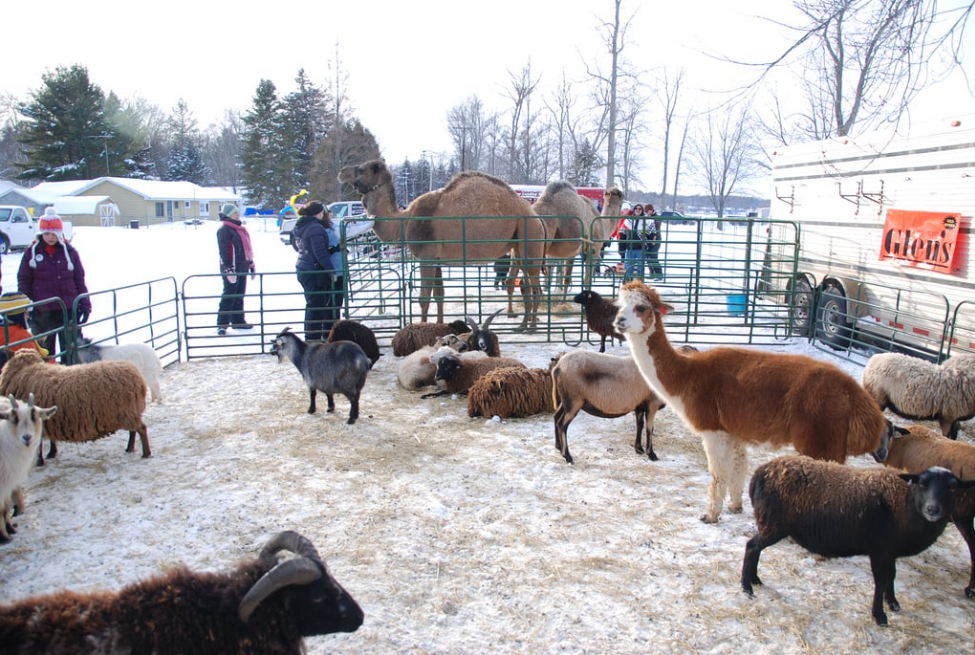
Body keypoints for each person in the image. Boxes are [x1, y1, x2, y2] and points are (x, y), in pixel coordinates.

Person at [17, 207, 91, 356]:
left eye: (54, 234)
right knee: (45, 351)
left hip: (68, 308)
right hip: (42, 310)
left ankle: (71, 368)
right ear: (41, 234)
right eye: (46, 233)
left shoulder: (70, 253)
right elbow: (24, 280)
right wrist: (26, 306)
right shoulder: (31, 254)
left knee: (71, 350)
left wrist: (85, 304)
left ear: (60, 234)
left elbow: (79, 280)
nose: (50, 237)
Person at [293, 201, 336, 342]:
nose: (324, 214)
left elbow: (299, 247)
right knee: (316, 306)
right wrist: (331, 271)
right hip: (313, 270)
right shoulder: (315, 228)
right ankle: (313, 339)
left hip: (304, 267)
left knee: (312, 304)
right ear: (318, 212)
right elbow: (320, 253)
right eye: (322, 211)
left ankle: (312, 337)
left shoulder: (301, 225)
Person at [215, 203, 256, 335]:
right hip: (231, 267)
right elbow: (224, 250)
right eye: (234, 213)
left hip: (242, 266)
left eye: (237, 212)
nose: (237, 215)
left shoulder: (240, 229)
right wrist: (228, 267)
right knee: (229, 294)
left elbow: (246, 249)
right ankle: (222, 324)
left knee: (239, 294)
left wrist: (250, 263)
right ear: (228, 215)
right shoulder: (224, 230)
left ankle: (238, 321)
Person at [0, 291, 50, 359]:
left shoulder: (3, 330)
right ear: (19, 314)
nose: (28, 316)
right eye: (27, 312)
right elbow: (35, 360)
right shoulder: (23, 336)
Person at [621, 203, 647, 281]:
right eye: (636, 208)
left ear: (642, 210)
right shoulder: (628, 221)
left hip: (641, 248)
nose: (638, 210)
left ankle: (639, 283)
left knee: (640, 268)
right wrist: (622, 246)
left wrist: (650, 245)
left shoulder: (646, 221)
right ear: (634, 210)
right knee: (628, 267)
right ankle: (628, 283)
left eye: (640, 209)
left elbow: (651, 234)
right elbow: (622, 234)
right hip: (630, 247)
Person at [644, 203, 664, 280]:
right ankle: (652, 273)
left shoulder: (656, 218)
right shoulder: (647, 218)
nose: (646, 213)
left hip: (655, 239)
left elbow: (656, 228)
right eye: (645, 211)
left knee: (653, 256)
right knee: (648, 256)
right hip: (649, 239)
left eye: (647, 211)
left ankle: (659, 275)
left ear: (651, 210)